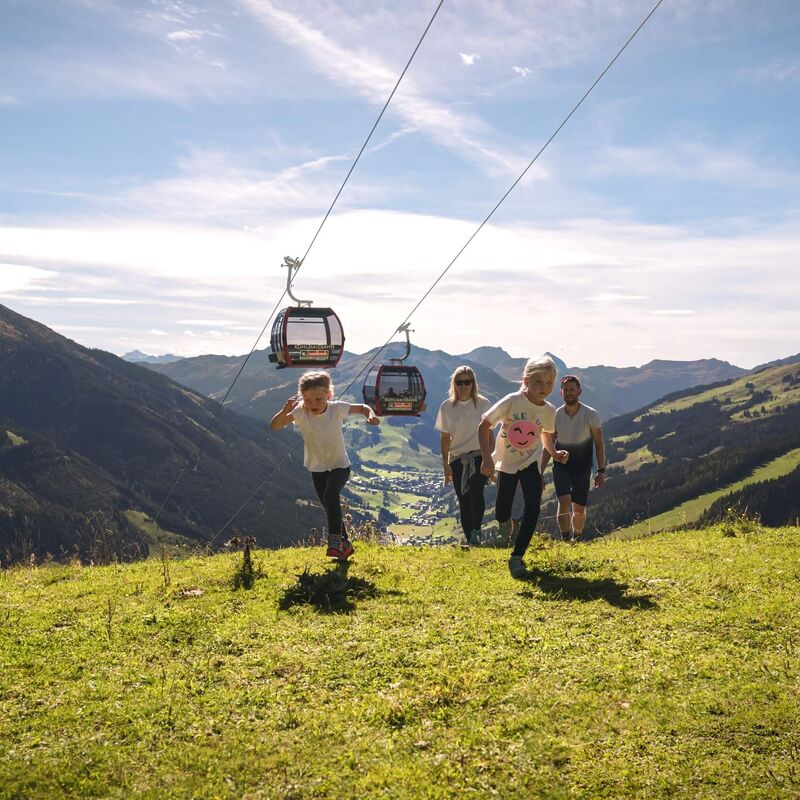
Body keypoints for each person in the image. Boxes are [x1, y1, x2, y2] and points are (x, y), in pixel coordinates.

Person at [270, 370, 379, 559]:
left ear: (329, 395)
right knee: (330, 506)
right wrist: (285, 410)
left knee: (330, 495)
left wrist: (371, 415)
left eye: (318, 399)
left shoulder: (336, 408)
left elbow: (362, 408)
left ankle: (334, 540)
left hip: (340, 465)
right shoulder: (300, 412)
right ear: (302, 397)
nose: (313, 404)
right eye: (308, 399)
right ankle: (345, 546)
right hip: (317, 468)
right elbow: (275, 425)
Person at [479, 356, 569, 579]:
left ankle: (517, 557)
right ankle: (504, 522)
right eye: (538, 382)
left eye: (549, 383)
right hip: (506, 463)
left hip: (530, 464)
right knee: (502, 509)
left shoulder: (549, 410)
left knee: (533, 508)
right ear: (526, 380)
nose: (544, 387)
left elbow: (545, 433)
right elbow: (484, 426)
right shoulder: (512, 401)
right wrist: (487, 459)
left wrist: (554, 453)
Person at [541, 375, 606, 542]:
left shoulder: (590, 414)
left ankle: (576, 539)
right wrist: (539, 472)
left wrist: (601, 471)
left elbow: (599, 445)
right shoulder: (555, 415)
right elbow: (548, 445)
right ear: (561, 392)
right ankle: (565, 539)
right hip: (561, 466)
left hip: (583, 468)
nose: (568, 393)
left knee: (579, 509)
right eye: (565, 390)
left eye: (572, 389)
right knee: (563, 502)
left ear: (579, 391)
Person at [435, 366, 492, 548]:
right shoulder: (447, 407)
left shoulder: (483, 404)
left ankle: (476, 530)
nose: (463, 386)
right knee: (464, 499)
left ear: (473, 383)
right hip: (457, 458)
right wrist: (446, 465)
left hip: (478, 455)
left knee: (476, 491)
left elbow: (490, 434)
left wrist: (489, 458)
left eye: (467, 382)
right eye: (459, 382)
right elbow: (445, 438)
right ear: (454, 384)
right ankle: (471, 541)